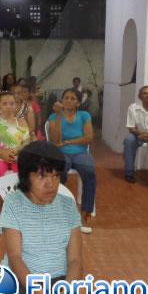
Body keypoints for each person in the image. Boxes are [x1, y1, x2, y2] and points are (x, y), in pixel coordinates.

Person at [0, 141, 81, 294]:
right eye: (42, 176)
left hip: (59, 282)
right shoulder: (13, 203)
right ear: (26, 176)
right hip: (20, 280)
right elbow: (15, 258)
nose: (50, 184)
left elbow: (76, 260)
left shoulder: (68, 206)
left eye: (55, 176)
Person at [48, 89, 96, 233]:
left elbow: (89, 137)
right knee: (59, 172)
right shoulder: (53, 116)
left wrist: (68, 142)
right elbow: (56, 141)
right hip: (61, 152)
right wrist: (57, 116)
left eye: (73, 98)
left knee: (89, 172)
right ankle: (57, 210)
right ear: (61, 101)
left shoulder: (84, 115)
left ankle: (85, 213)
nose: (69, 100)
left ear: (78, 103)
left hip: (80, 153)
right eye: (66, 98)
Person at [0, 92, 30, 185]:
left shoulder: (22, 122)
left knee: (24, 173)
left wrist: (15, 151)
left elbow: (26, 142)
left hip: (16, 156)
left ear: (16, 106)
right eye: (4, 104)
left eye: (11, 103)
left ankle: (17, 198)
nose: (8, 106)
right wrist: (2, 154)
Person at [123, 86, 148, 185]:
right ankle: (129, 173)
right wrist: (141, 134)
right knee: (128, 140)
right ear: (139, 96)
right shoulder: (133, 108)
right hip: (137, 134)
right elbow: (131, 127)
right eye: (144, 93)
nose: (147, 95)